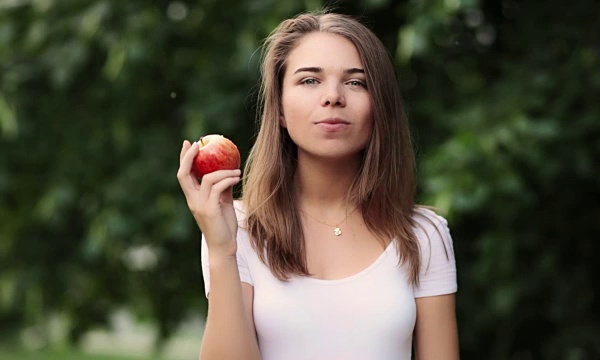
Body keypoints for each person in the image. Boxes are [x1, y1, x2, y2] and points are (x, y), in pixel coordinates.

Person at [177, 10, 459, 360]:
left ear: (379, 107)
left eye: (356, 82)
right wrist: (222, 249)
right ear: (279, 108)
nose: (333, 97)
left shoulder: (423, 235)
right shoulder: (237, 229)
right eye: (310, 80)